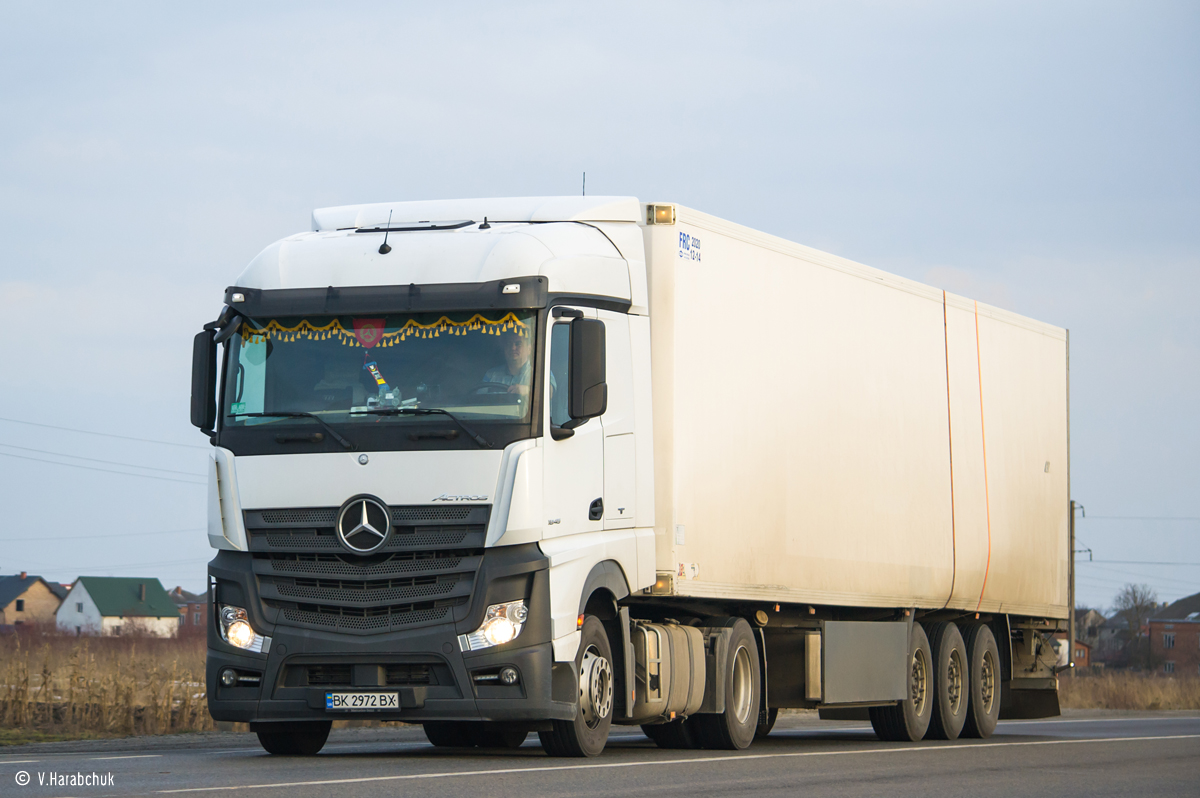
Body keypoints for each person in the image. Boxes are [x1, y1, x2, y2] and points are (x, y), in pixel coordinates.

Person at [482, 331, 536, 396]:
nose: (513, 348)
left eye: (518, 344)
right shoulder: (491, 375)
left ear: (529, 349)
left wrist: (528, 390)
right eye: (508, 344)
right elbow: (478, 400)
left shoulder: (538, 372)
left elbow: (549, 391)